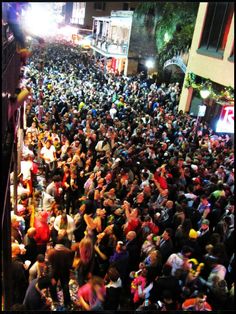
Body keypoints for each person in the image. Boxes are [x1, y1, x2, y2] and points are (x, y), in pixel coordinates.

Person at [47, 235, 74, 308]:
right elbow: (70, 265)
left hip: (54, 273)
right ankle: (67, 303)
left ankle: (55, 301)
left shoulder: (51, 252)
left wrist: (51, 276)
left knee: (52, 287)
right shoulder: (68, 252)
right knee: (65, 287)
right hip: (65, 272)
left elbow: (50, 265)